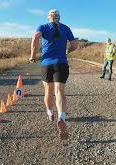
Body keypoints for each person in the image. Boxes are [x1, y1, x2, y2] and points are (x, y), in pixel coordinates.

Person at [29, 9, 77, 139]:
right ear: (59, 18)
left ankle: (50, 113)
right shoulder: (66, 28)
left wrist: (33, 54)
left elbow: (35, 37)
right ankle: (61, 117)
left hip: (46, 63)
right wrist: (68, 51)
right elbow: (74, 44)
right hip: (61, 63)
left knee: (48, 91)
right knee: (60, 91)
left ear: (48, 17)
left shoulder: (43, 26)